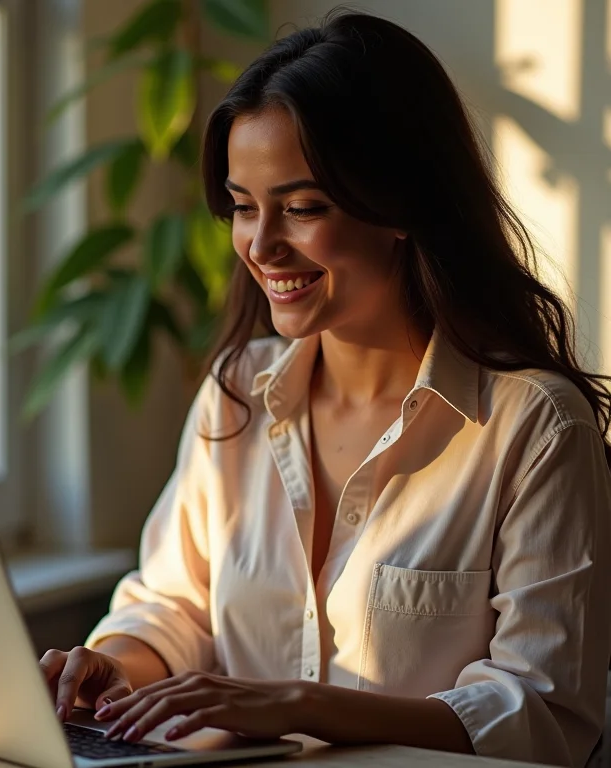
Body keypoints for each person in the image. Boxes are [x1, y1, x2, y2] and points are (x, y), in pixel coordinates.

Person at [39, 10, 611, 766]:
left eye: (302, 208)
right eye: (243, 207)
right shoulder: (236, 393)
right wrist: (114, 662)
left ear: (401, 204)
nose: (261, 245)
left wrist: (304, 706)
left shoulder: (535, 427)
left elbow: (543, 713)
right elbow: (173, 604)